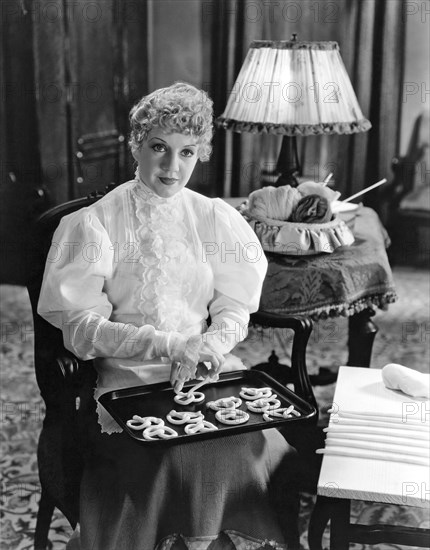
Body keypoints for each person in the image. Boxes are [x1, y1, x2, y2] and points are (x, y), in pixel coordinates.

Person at [38, 82, 299, 550]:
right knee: (175, 458)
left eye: (187, 152)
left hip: (206, 375)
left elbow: (235, 306)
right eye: (158, 147)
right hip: (129, 385)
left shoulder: (213, 218)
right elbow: (81, 330)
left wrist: (211, 345)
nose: (171, 166)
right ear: (137, 144)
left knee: (252, 444)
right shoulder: (96, 223)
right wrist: (170, 345)